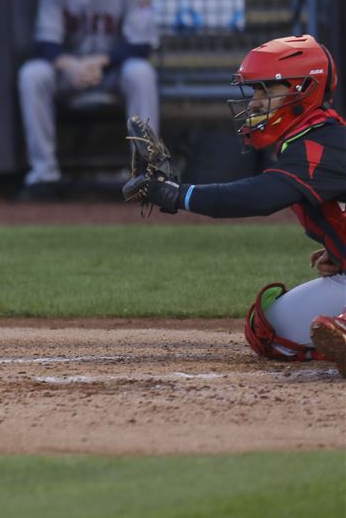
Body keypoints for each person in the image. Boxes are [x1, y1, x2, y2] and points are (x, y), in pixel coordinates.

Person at [125, 34, 346, 377]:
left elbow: (259, 197)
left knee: (326, 330)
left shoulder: (323, 143)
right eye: (255, 91)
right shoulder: (312, 139)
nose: (256, 102)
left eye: (266, 90)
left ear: (304, 90)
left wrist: (175, 194)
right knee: (270, 330)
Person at [18, 0, 159, 201]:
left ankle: (147, 174)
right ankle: (43, 176)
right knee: (32, 74)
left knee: (141, 73)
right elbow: (46, 42)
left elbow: (141, 44)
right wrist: (71, 65)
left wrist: (101, 62)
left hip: (113, 71)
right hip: (70, 72)